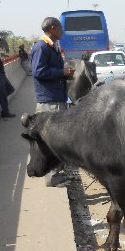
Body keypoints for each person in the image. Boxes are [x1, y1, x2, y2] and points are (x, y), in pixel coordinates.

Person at [30, 17, 75, 187]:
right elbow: (39, 72)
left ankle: (58, 173)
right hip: (49, 100)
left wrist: (64, 74)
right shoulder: (41, 47)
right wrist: (61, 73)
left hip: (56, 97)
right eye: (60, 28)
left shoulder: (51, 46)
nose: (62, 32)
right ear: (53, 28)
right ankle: (52, 177)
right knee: (51, 139)